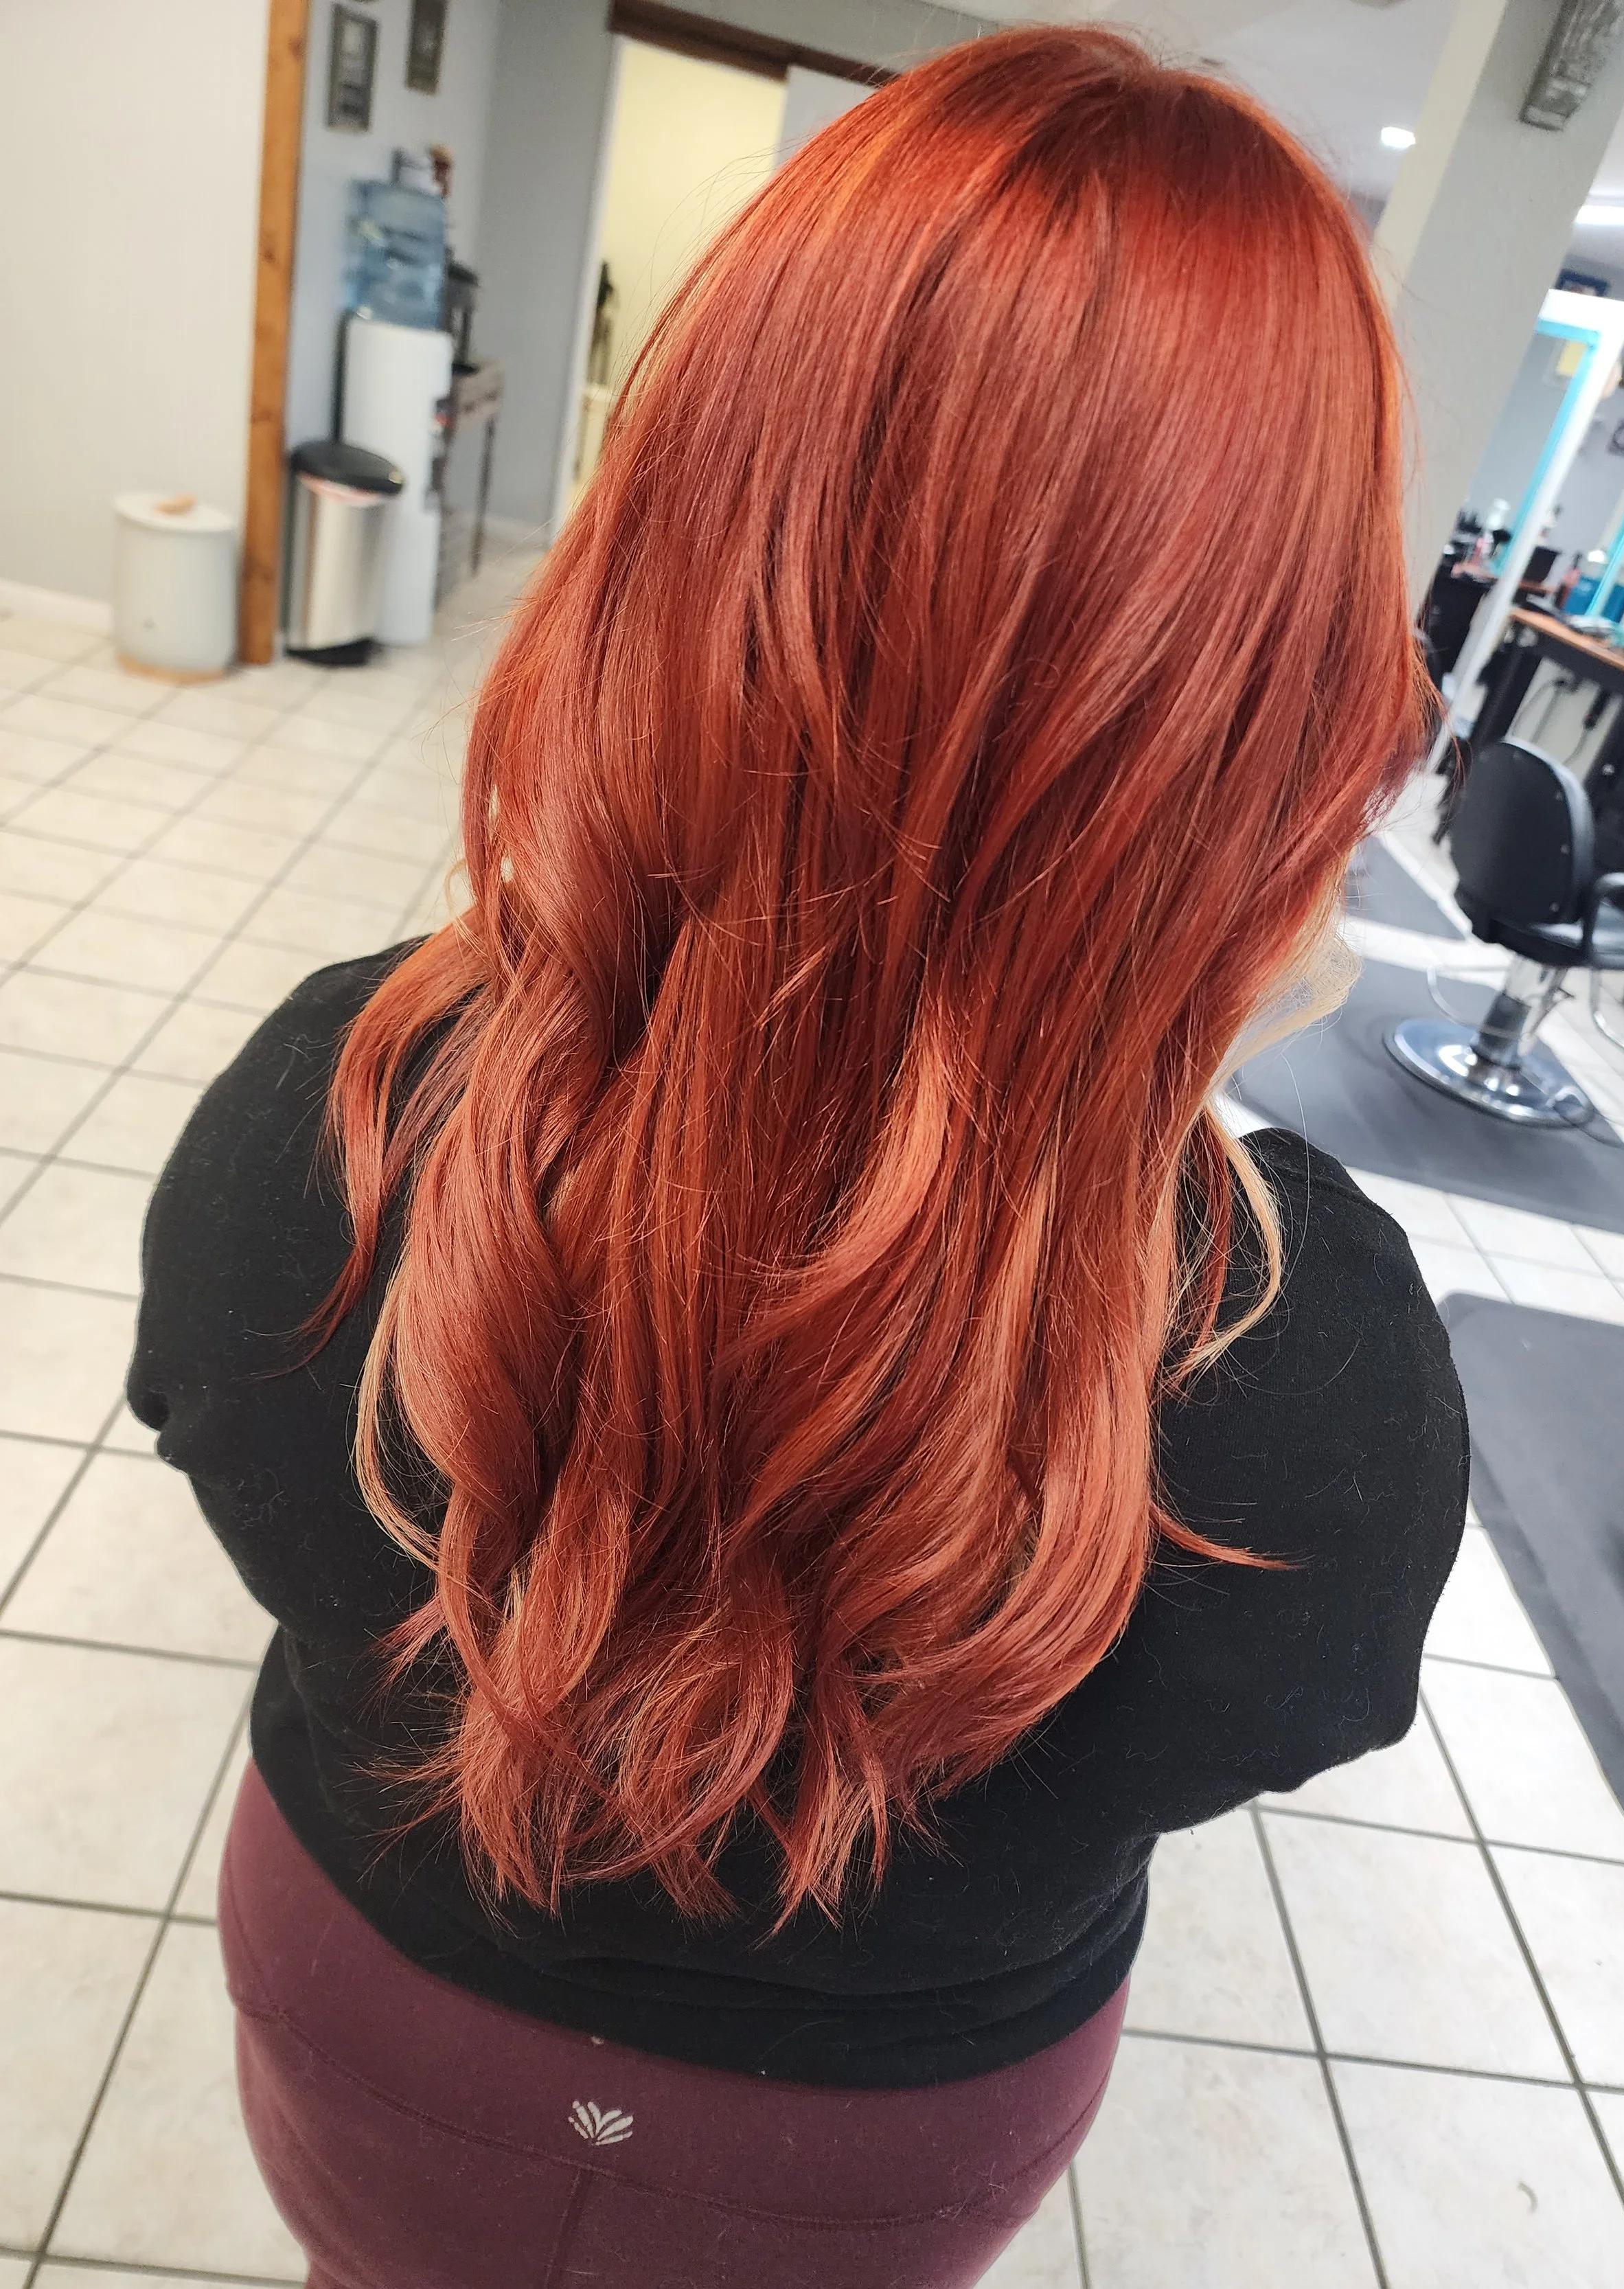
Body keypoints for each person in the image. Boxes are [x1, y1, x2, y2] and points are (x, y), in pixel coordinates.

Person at [128, 26, 1466, 2289]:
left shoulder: (326, 1113)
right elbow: (1283, 1703)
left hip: (385, 2013)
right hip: (875, 2136)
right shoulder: (1304, 1377)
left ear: (675, 531)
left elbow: (216, 1423)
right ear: (1280, 706)